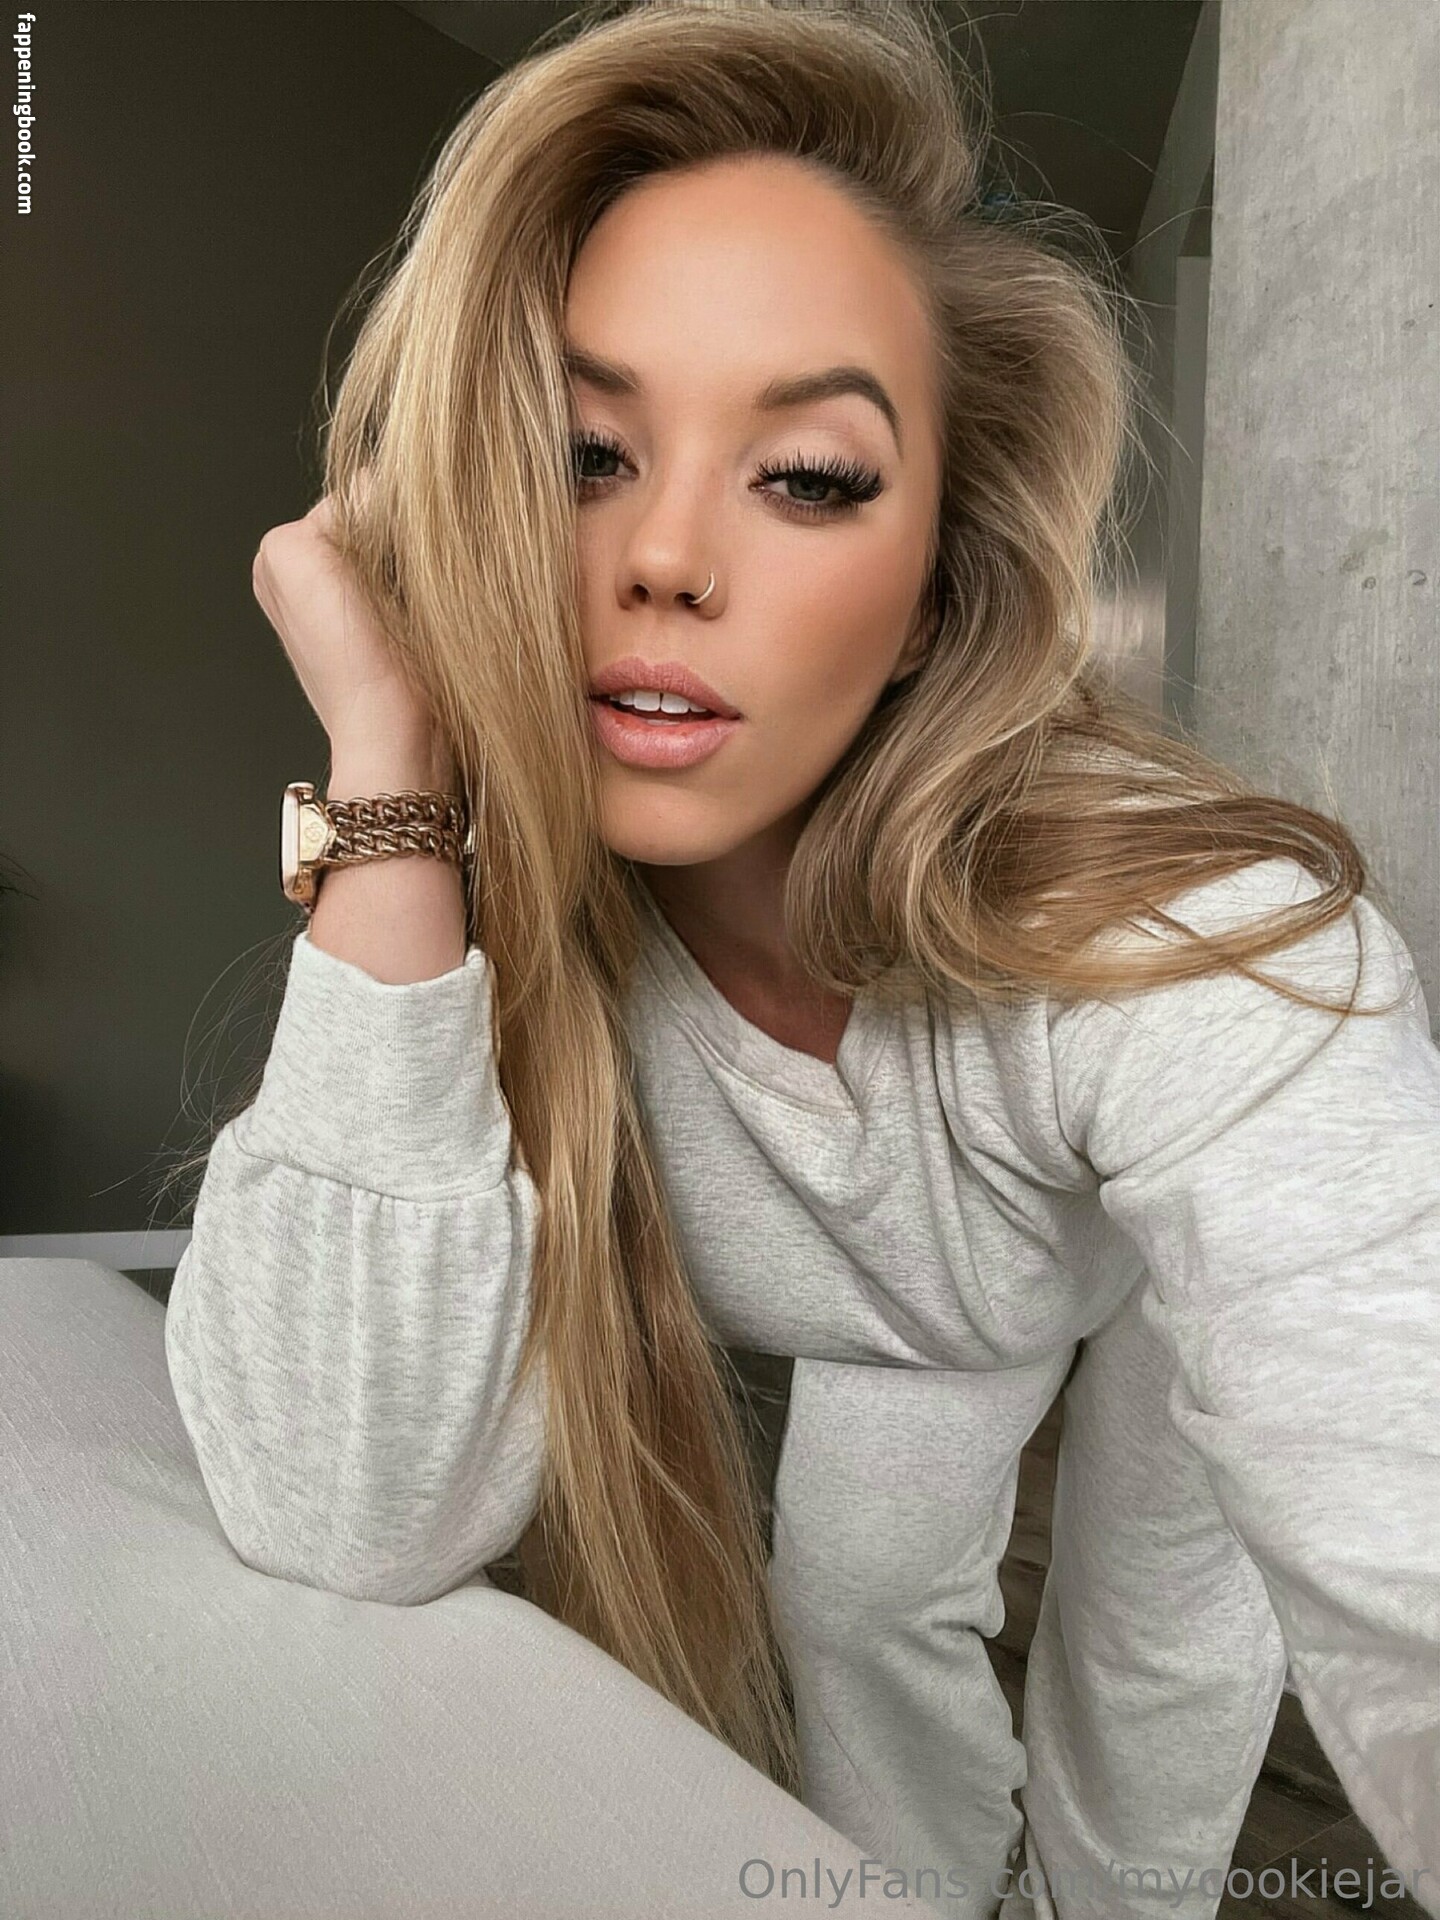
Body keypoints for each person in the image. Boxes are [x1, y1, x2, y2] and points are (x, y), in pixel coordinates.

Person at [163, 3, 1440, 1916]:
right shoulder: (483, 907)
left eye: (811, 476)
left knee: (1158, 1652)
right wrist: (388, 763)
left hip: (1090, 1287)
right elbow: (344, 1507)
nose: (665, 558)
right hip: (896, 1320)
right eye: (583, 452)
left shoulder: (1191, 941)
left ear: (935, 584)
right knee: (849, 1614)